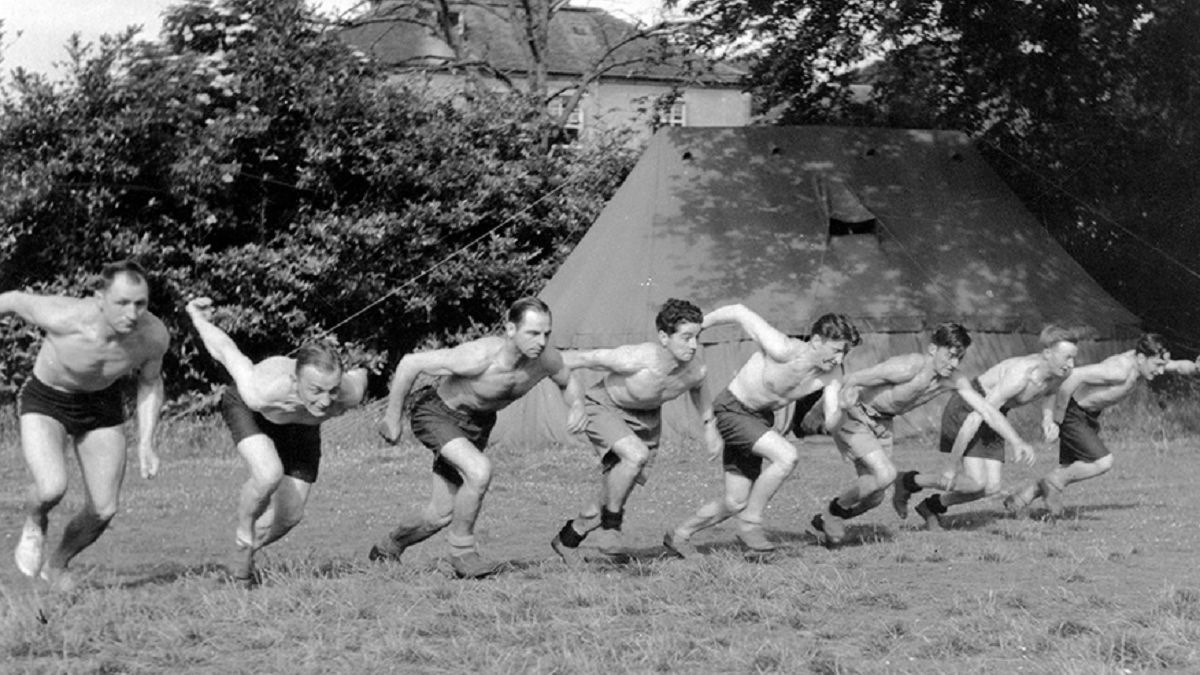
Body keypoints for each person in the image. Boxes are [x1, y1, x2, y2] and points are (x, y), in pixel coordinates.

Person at [371, 297, 586, 579]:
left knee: (441, 513)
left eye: (546, 333)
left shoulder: (546, 360)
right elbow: (411, 363)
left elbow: (568, 381)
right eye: (533, 333)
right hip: (438, 414)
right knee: (479, 470)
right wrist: (392, 417)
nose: (542, 341)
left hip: (477, 425)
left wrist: (578, 404)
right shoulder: (478, 357)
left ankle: (387, 548)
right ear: (511, 330)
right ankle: (462, 553)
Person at [3, 260, 169, 591]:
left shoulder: (153, 336)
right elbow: (11, 300)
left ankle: (58, 563)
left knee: (104, 509)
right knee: (51, 487)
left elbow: (151, 383)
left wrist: (146, 441)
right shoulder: (64, 317)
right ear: (100, 298)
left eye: (140, 303)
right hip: (47, 400)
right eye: (122, 303)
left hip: (100, 407)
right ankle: (35, 522)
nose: (132, 313)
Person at [185, 297, 367, 585]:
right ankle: (244, 534)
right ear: (295, 382)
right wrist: (198, 320)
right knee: (268, 474)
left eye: (331, 391)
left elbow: (362, 376)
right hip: (250, 411)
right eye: (316, 390)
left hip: (301, 429)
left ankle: (241, 557)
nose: (324, 401)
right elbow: (227, 352)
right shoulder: (263, 389)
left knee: (290, 516)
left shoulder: (348, 393)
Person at [810, 322, 1034, 546]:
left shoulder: (953, 379)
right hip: (857, 414)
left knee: (874, 496)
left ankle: (824, 521)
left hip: (883, 424)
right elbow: (852, 379)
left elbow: (987, 410)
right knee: (885, 475)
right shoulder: (908, 367)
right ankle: (831, 515)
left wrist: (1017, 441)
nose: (954, 364)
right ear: (933, 349)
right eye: (951, 355)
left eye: (960, 358)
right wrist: (824, 411)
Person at [663, 305, 860, 558]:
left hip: (758, 420)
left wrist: (843, 409)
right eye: (836, 350)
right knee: (786, 456)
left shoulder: (833, 373)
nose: (839, 359)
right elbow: (738, 311)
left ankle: (679, 535)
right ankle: (750, 524)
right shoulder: (782, 348)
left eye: (844, 353)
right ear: (817, 340)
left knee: (735, 501)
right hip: (731, 409)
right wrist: (697, 329)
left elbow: (832, 423)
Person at [549, 299, 721, 566]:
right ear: (664, 337)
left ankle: (568, 539)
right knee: (635, 456)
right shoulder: (637, 358)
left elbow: (700, 390)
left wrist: (710, 427)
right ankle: (612, 527)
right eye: (686, 337)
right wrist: (536, 367)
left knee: (615, 489)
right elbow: (580, 358)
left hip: (647, 421)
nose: (693, 345)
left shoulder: (696, 369)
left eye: (697, 337)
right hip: (604, 406)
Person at [896, 325, 1080, 530]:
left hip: (996, 413)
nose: (1071, 364)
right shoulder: (1020, 376)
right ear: (1047, 354)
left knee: (991, 487)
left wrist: (1047, 419)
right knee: (976, 482)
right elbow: (976, 418)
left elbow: (1049, 392)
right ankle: (908, 481)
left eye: (1073, 358)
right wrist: (951, 465)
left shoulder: (1059, 372)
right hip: (969, 407)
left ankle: (931, 506)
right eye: (1067, 357)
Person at [1004, 333, 1200, 517]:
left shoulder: (1142, 362)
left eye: (1162, 365)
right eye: (1157, 365)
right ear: (1141, 358)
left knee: (1072, 467)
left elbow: (1177, 366)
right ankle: (1052, 484)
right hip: (1072, 412)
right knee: (1102, 462)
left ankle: (1019, 500)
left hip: (1086, 415)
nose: (1160, 371)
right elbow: (1072, 377)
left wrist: (1196, 367)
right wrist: (1058, 418)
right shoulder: (1119, 370)